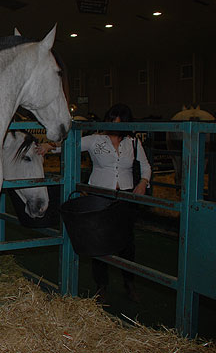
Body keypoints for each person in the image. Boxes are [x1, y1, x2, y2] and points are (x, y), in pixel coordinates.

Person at [38, 103, 152, 303]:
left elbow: (146, 166)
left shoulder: (133, 143)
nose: (114, 126)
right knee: (99, 241)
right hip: (100, 196)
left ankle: (129, 282)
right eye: (111, 121)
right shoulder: (95, 140)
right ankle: (102, 286)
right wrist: (50, 146)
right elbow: (71, 145)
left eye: (118, 122)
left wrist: (143, 182)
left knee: (127, 243)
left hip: (125, 197)